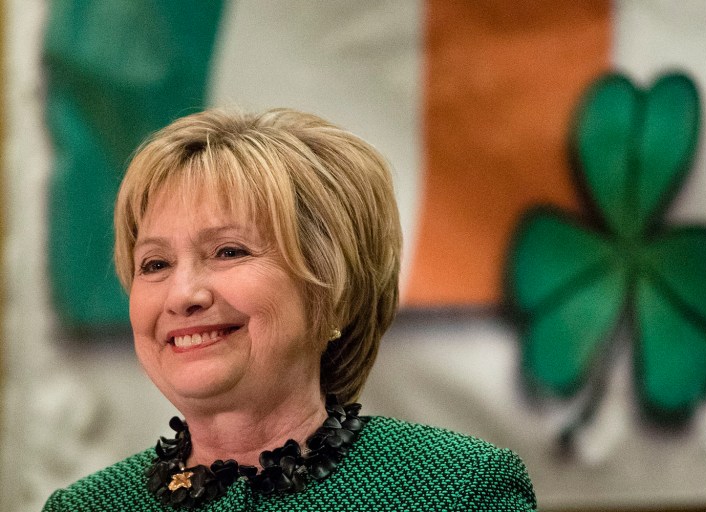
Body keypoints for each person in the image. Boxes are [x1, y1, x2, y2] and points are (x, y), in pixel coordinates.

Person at [42, 108, 537, 511]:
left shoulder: (457, 489)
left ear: (331, 291)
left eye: (229, 251)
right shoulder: (84, 507)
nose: (182, 294)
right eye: (155, 263)